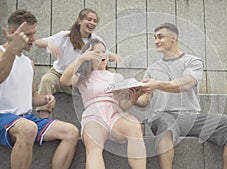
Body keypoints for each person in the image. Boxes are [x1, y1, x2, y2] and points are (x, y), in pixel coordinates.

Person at [134, 23, 227, 169]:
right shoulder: (152, 69)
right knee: (165, 127)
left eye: (160, 37)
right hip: (163, 116)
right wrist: (132, 97)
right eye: (155, 38)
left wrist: (158, 84)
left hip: (192, 118)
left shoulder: (192, 61)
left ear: (174, 37)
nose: (156, 41)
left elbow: (186, 83)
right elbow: (145, 101)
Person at [0, 9, 79, 169]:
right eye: (28, 35)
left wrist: (44, 99)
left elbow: (32, 96)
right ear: (13, 32)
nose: (33, 39)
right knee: (28, 128)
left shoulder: (29, 63)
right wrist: (11, 50)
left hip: (25, 119)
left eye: (34, 33)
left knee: (71, 132)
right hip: (3, 117)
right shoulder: (1, 52)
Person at [60, 39, 146, 169]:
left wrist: (133, 99)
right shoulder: (83, 77)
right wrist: (82, 58)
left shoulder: (116, 76)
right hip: (94, 117)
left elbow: (123, 105)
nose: (102, 55)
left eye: (104, 52)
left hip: (115, 115)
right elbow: (64, 80)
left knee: (134, 126)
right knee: (93, 143)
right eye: (97, 53)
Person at [35, 8, 118, 118]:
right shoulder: (65, 36)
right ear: (79, 21)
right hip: (58, 74)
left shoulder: (96, 40)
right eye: (89, 19)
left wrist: (115, 57)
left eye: (95, 21)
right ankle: (43, 120)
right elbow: (37, 42)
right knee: (46, 80)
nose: (92, 23)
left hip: (78, 78)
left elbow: (106, 54)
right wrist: (48, 44)